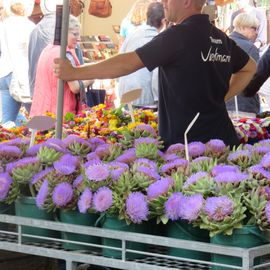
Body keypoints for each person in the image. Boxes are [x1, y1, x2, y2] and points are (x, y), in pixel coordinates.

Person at [54, 0, 256, 149]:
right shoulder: (219, 37)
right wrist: (223, 97)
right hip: (223, 140)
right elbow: (250, 67)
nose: (163, 3)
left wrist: (75, 72)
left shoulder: (177, 36)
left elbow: (128, 62)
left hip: (188, 147)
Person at [30, 15, 92, 117]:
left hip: (41, 110)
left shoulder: (47, 50)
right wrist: (92, 78)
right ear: (64, 33)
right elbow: (75, 87)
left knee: (40, 133)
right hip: (61, 113)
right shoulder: (65, 54)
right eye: (75, 34)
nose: (79, 38)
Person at [28, 0, 84, 102]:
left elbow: (32, 64)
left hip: (40, 95)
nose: (78, 38)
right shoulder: (67, 29)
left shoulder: (35, 30)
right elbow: (77, 77)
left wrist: (33, 93)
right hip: (62, 100)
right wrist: (90, 79)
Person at [118, 1, 165, 108]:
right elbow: (157, 74)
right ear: (164, 21)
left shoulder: (133, 34)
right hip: (146, 99)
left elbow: (121, 57)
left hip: (125, 94)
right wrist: (159, 101)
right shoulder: (158, 39)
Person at [0, 1, 35, 126]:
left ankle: (6, 144)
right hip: (22, 75)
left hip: (4, 72)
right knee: (38, 119)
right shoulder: (29, 26)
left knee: (7, 123)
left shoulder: (4, 24)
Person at [226, 13, 260, 115]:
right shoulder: (250, 47)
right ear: (243, 27)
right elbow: (255, 78)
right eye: (254, 28)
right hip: (244, 106)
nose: (256, 32)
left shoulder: (221, 43)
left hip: (223, 104)